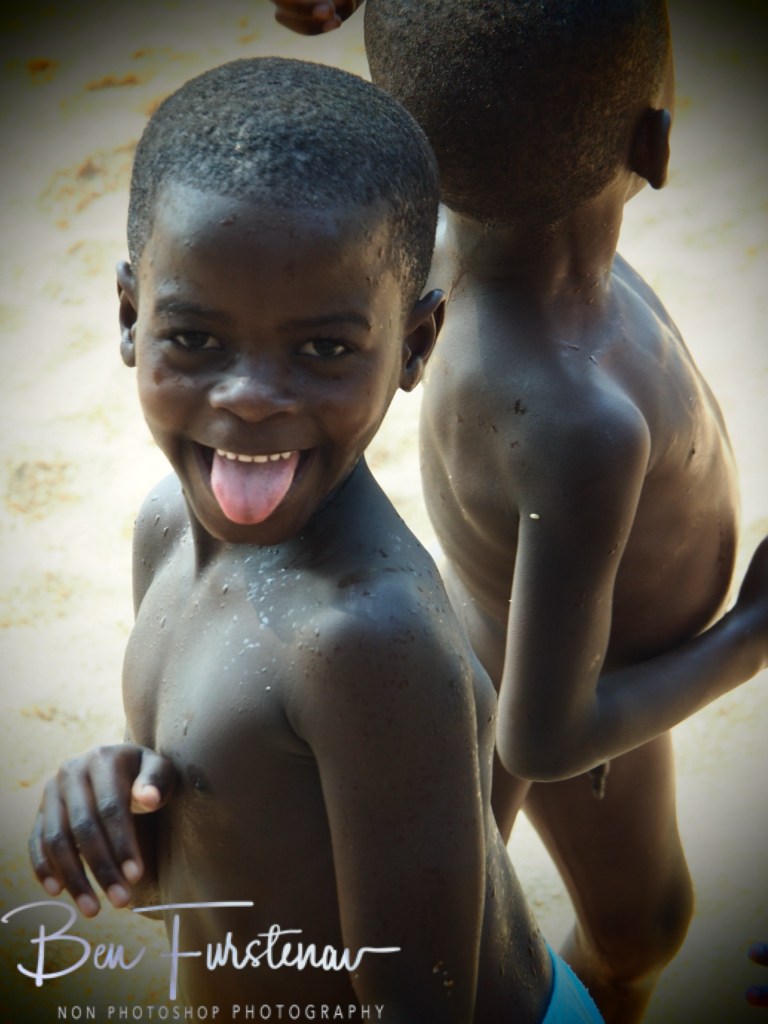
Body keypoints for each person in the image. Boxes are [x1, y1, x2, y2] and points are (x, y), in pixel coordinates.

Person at [27, 56, 605, 1022]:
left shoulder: (365, 639)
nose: (250, 397)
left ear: (416, 345)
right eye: (197, 339)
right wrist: (123, 789)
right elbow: (234, 782)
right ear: (132, 318)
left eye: (325, 349)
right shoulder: (167, 526)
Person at [273, 2, 768, 1022]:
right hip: (581, 682)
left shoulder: (447, 246)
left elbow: (455, 98)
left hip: (506, 626)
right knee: (643, 925)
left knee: (447, 927)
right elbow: (545, 737)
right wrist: (754, 633)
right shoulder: (578, 420)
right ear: (656, 145)